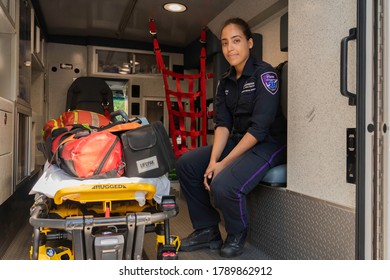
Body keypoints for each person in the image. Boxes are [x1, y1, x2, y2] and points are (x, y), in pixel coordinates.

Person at [176, 17, 287, 258]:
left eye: (236, 41)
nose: (230, 48)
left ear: (249, 43)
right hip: (240, 140)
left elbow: (259, 129)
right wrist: (212, 161)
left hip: (268, 143)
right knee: (186, 164)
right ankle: (207, 230)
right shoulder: (225, 82)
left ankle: (236, 233)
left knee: (223, 183)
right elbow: (223, 125)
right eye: (225, 43)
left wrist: (222, 165)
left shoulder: (265, 75)